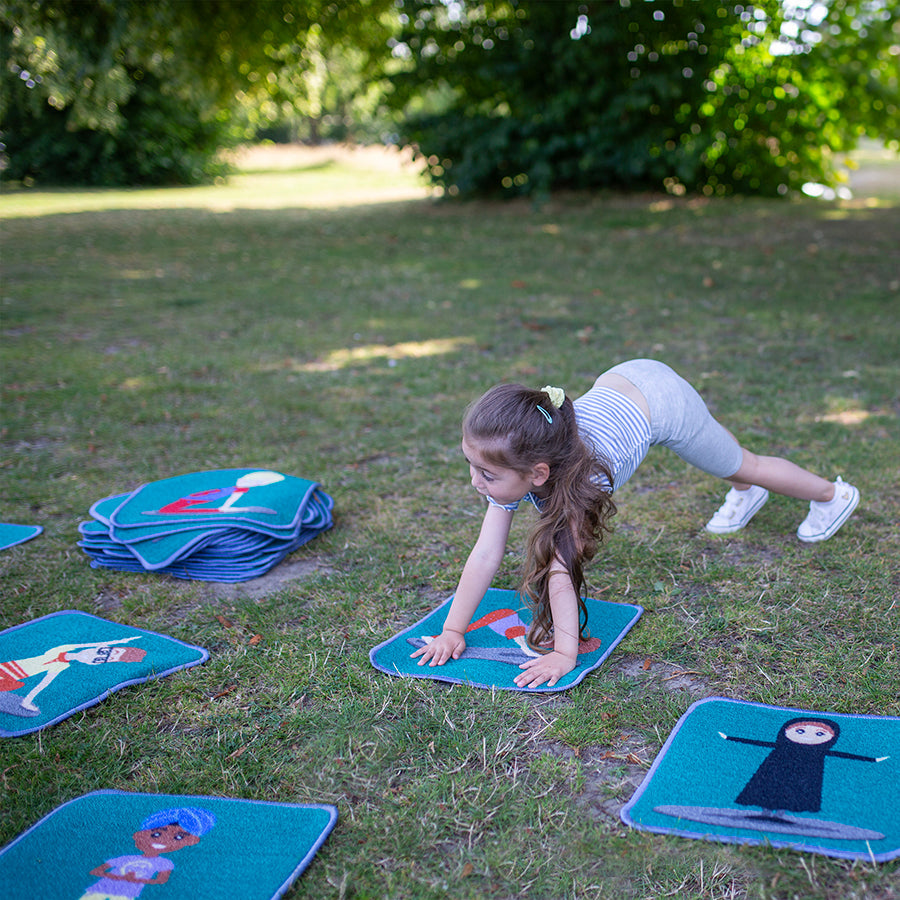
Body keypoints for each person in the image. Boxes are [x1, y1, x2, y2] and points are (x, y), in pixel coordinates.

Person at [412, 359, 860, 688]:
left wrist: (565, 654)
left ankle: (831, 495)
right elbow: (486, 553)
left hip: (662, 401)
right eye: (471, 465)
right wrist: (452, 631)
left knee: (745, 463)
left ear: (538, 474)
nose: (475, 482)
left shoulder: (581, 481)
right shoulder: (519, 462)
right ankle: (746, 490)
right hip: (622, 382)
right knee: (730, 461)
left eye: (486, 474)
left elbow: (561, 571)